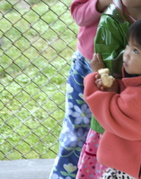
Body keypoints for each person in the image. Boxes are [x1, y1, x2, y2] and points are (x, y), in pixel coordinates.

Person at [76, 0, 141, 178]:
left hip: (140, 173)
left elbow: (110, 114)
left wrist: (93, 80)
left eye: (136, 50)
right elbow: (133, 93)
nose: (127, 53)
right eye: (128, 45)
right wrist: (117, 86)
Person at [49, 1, 112, 178]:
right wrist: (102, 3)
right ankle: (64, 175)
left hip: (122, 70)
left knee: (108, 135)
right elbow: (79, 15)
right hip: (86, 64)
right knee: (76, 131)